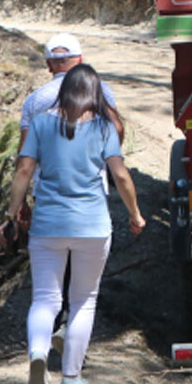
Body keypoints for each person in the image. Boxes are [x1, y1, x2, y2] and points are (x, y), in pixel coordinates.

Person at [0, 64, 146, 384]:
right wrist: (135, 215)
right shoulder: (103, 127)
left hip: (48, 225)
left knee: (45, 299)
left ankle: (38, 353)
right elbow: (121, 176)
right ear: (94, 94)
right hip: (92, 226)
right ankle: (70, 377)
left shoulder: (40, 123)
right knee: (83, 300)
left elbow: (23, 170)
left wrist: (11, 214)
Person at [18, 33, 122, 354]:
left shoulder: (35, 100)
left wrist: (19, 203)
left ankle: (50, 332)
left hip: (48, 193)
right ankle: (69, 341)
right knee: (84, 279)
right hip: (89, 194)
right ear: (80, 60)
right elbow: (117, 134)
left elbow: (24, 156)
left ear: (50, 64)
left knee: (51, 271)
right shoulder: (101, 91)